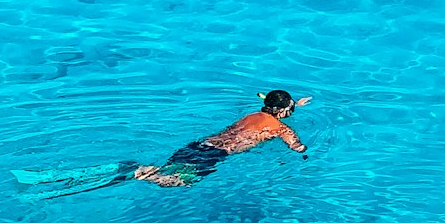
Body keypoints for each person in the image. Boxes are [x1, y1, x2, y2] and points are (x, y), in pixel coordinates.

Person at [132, 90, 311, 188]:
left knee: (169, 167)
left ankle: (148, 171)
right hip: (217, 154)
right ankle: (146, 176)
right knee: (184, 182)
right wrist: (307, 153)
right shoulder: (280, 128)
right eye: (291, 108)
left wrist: (297, 104)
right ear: (282, 112)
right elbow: (297, 147)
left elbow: (276, 110)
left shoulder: (251, 115)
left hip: (202, 144)